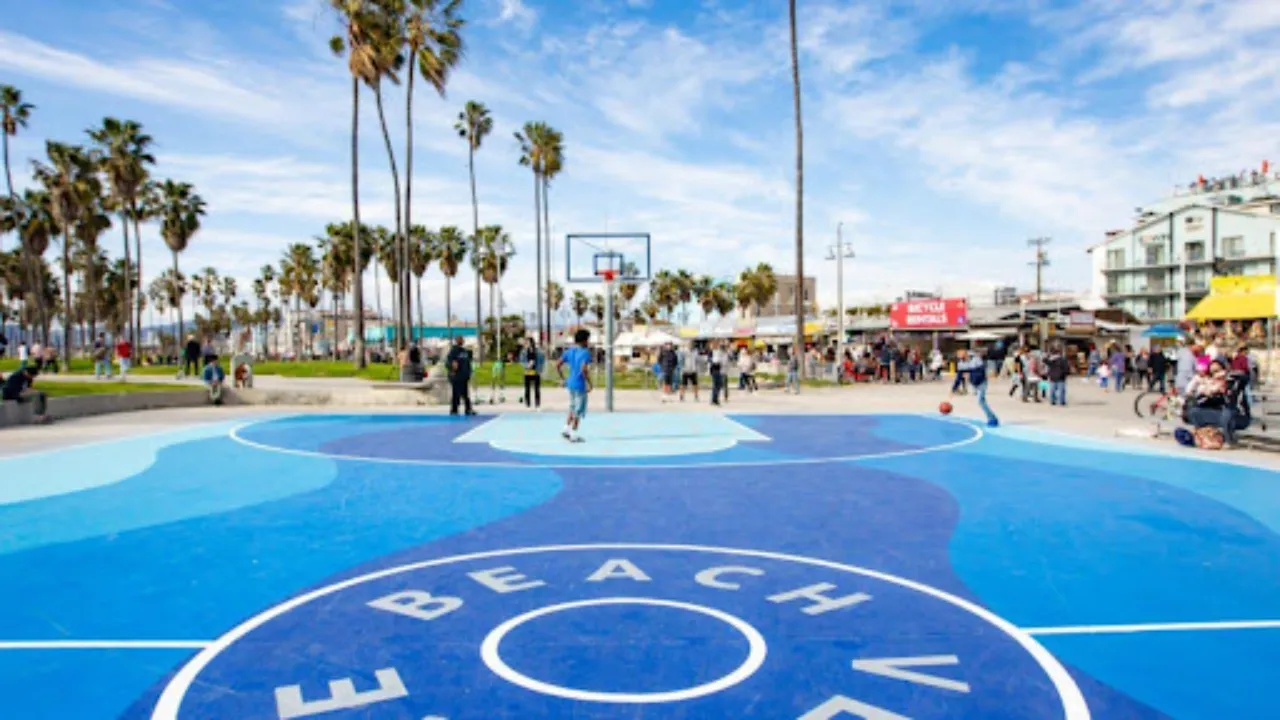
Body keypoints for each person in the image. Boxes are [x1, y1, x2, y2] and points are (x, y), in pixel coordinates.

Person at [556, 328, 593, 442]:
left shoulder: (569, 351)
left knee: (572, 407)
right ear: (584, 341)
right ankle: (574, 433)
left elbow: (557, 364)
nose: (588, 342)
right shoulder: (585, 353)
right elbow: (583, 369)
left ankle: (566, 428)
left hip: (570, 383)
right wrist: (589, 383)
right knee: (578, 410)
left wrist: (563, 379)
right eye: (587, 340)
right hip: (579, 384)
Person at [952, 349, 998, 427]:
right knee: (981, 401)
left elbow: (981, 371)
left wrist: (970, 373)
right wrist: (954, 388)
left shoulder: (976, 359)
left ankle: (992, 419)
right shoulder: (961, 364)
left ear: (965, 354)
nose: (959, 357)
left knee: (981, 401)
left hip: (982, 382)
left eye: (961, 354)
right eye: (958, 355)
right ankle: (992, 418)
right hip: (974, 383)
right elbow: (959, 377)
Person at [446, 336, 475, 416]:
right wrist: (452, 366)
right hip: (456, 376)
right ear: (456, 341)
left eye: (462, 339)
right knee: (456, 394)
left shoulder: (465, 351)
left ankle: (468, 409)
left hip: (464, 376)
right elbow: (448, 363)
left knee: (465, 394)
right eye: (459, 339)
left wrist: (469, 373)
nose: (461, 341)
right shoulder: (453, 351)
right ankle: (454, 410)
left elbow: (468, 363)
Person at [519, 338, 544, 411]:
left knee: (537, 389)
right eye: (526, 343)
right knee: (527, 389)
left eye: (528, 342)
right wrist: (527, 365)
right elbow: (521, 361)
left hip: (536, 371)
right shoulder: (524, 352)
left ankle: (537, 405)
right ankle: (528, 404)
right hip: (527, 371)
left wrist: (540, 369)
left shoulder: (538, 351)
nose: (526, 344)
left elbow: (542, 360)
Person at [710, 341, 729, 406]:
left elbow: (725, 362)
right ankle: (714, 400)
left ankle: (714, 399)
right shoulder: (718, 352)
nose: (724, 348)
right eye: (723, 347)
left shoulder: (725, 354)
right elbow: (716, 361)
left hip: (721, 371)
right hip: (717, 370)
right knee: (717, 385)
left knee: (718, 385)